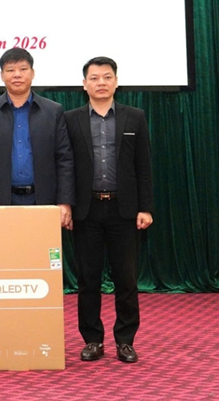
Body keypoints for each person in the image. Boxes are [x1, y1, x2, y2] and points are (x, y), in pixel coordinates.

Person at [66, 57, 154, 364]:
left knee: (126, 279)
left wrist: (146, 208)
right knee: (88, 279)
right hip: (86, 210)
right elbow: (65, 167)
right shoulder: (71, 119)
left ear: (116, 82)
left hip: (124, 210)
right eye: (94, 78)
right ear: (84, 84)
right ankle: (92, 339)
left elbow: (144, 166)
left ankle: (125, 341)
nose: (101, 83)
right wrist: (67, 205)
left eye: (106, 77)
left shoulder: (135, 117)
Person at [0, 48, 74, 229]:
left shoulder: (53, 111)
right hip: (1, 203)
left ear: (32, 73)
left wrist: (64, 201)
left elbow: (64, 159)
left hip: (44, 201)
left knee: (41, 247)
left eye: (23, 69)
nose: (17, 75)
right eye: (10, 70)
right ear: (2, 75)